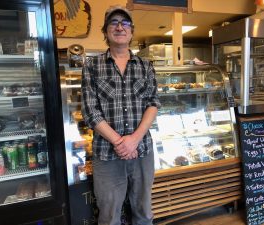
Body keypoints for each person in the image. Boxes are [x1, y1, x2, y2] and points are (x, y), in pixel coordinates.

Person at [81, 5, 161, 225]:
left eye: (124, 23)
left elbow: (153, 103)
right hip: (107, 155)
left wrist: (134, 140)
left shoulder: (145, 66)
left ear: (132, 31)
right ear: (105, 31)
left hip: (142, 151)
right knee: (108, 215)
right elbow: (90, 111)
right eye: (113, 22)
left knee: (144, 212)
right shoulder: (92, 65)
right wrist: (120, 142)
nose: (119, 27)